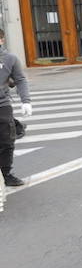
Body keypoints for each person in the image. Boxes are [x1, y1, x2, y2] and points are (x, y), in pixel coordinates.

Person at [0, 28, 33, 188]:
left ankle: (6, 174)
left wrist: (26, 100)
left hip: (2, 105)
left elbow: (20, 79)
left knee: (7, 141)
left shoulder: (10, 59)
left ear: (2, 40)